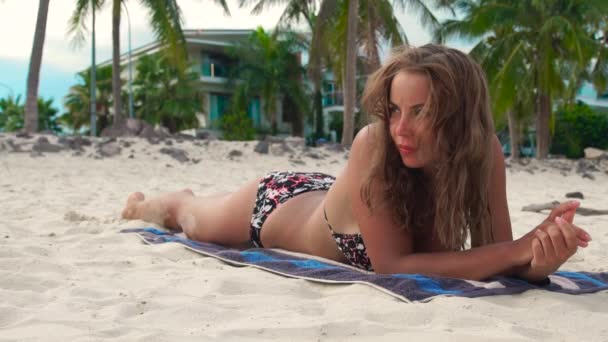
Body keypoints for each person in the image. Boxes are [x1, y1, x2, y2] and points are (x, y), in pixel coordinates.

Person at [122, 44, 592, 282]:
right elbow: (394, 265)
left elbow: (496, 254)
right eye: (394, 110)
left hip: (342, 197)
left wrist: (540, 257)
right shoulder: (375, 145)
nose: (400, 128)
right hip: (278, 205)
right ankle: (167, 199)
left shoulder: (482, 151)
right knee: (191, 219)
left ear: (458, 115)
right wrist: (519, 249)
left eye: (420, 112)